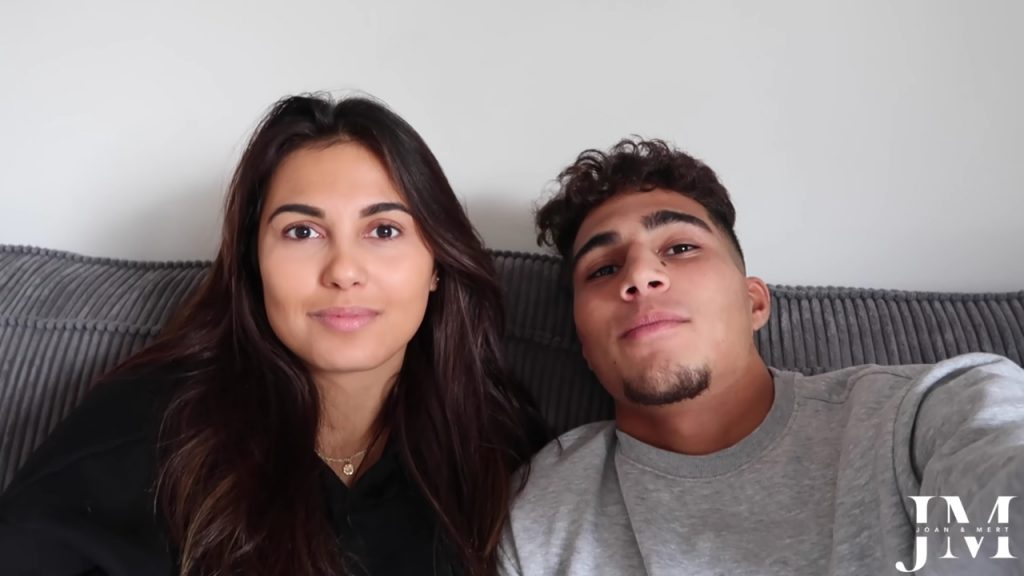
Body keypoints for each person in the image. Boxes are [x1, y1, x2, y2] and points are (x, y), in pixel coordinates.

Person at [0, 94, 547, 576]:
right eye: (302, 231)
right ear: (253, 264)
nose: (344, 270)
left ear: (437, 265)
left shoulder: (499, 445)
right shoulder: (150, 424)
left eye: (384, 230)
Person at [499, 138, 1024, 575]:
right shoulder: (538, 515)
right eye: (602, 270)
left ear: (754, 302)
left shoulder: (918, 420)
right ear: (584, 343)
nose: (639, 275)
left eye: (680, 248)